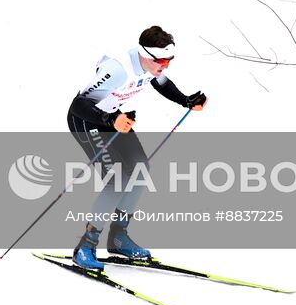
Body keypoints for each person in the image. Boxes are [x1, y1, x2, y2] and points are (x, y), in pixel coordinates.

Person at [65, 26, 207, 270]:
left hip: (115, 118)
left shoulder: (151, 65)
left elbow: (160, 82)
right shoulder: (118, 70)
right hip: (87, 121)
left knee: (141, 168)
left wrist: (185, 100)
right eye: (162, 61)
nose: (166, 66)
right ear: (145, 55)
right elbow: (78, 104)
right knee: (117, 177)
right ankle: (86, 246)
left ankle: (118, 237)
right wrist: (111, 120)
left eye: (169, 60)